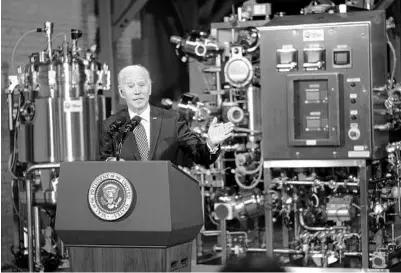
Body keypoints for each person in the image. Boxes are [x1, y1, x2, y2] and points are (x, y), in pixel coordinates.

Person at [98, 64, 234, 166]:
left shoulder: (172, 120)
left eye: (142, 85)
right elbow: (102, 162)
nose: (137, 91)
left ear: (149, 88)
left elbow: (200, 156)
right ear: (122, 92)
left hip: (165, 195)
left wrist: (211, 143)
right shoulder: (111, 125)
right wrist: (112, 162)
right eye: (131, 86)